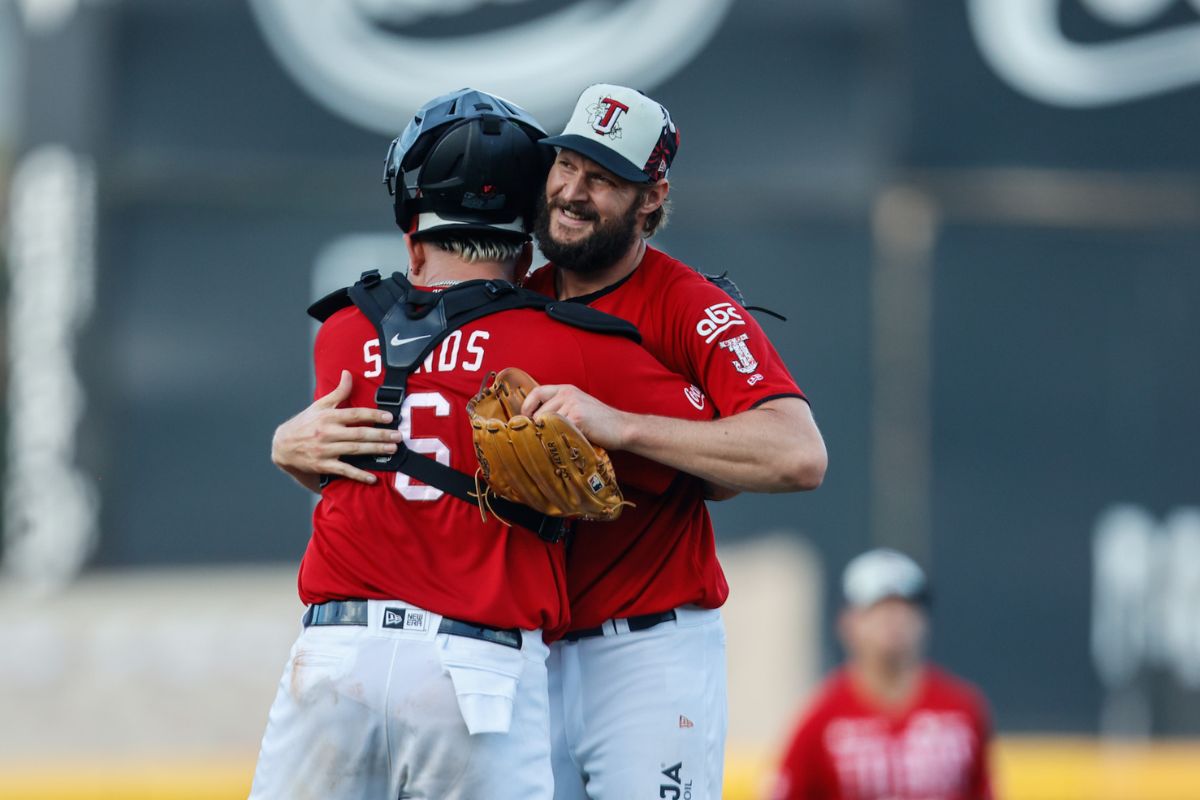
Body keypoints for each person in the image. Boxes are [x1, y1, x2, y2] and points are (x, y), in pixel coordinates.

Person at [271, 83, 828, 800]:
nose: (571, 190)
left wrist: (622, 426)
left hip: (645, 647)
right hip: (528, 650)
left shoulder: (691, 308)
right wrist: (291, 444)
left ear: (651, 200)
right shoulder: (516, 295)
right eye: (567, 164)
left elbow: (795, 454)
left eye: (605, 179)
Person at [769, 549, 994, 800]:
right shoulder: (822, 720)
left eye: (906, 607)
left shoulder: (961, 710)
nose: (895, 620)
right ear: (848, 622)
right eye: (879, 608)